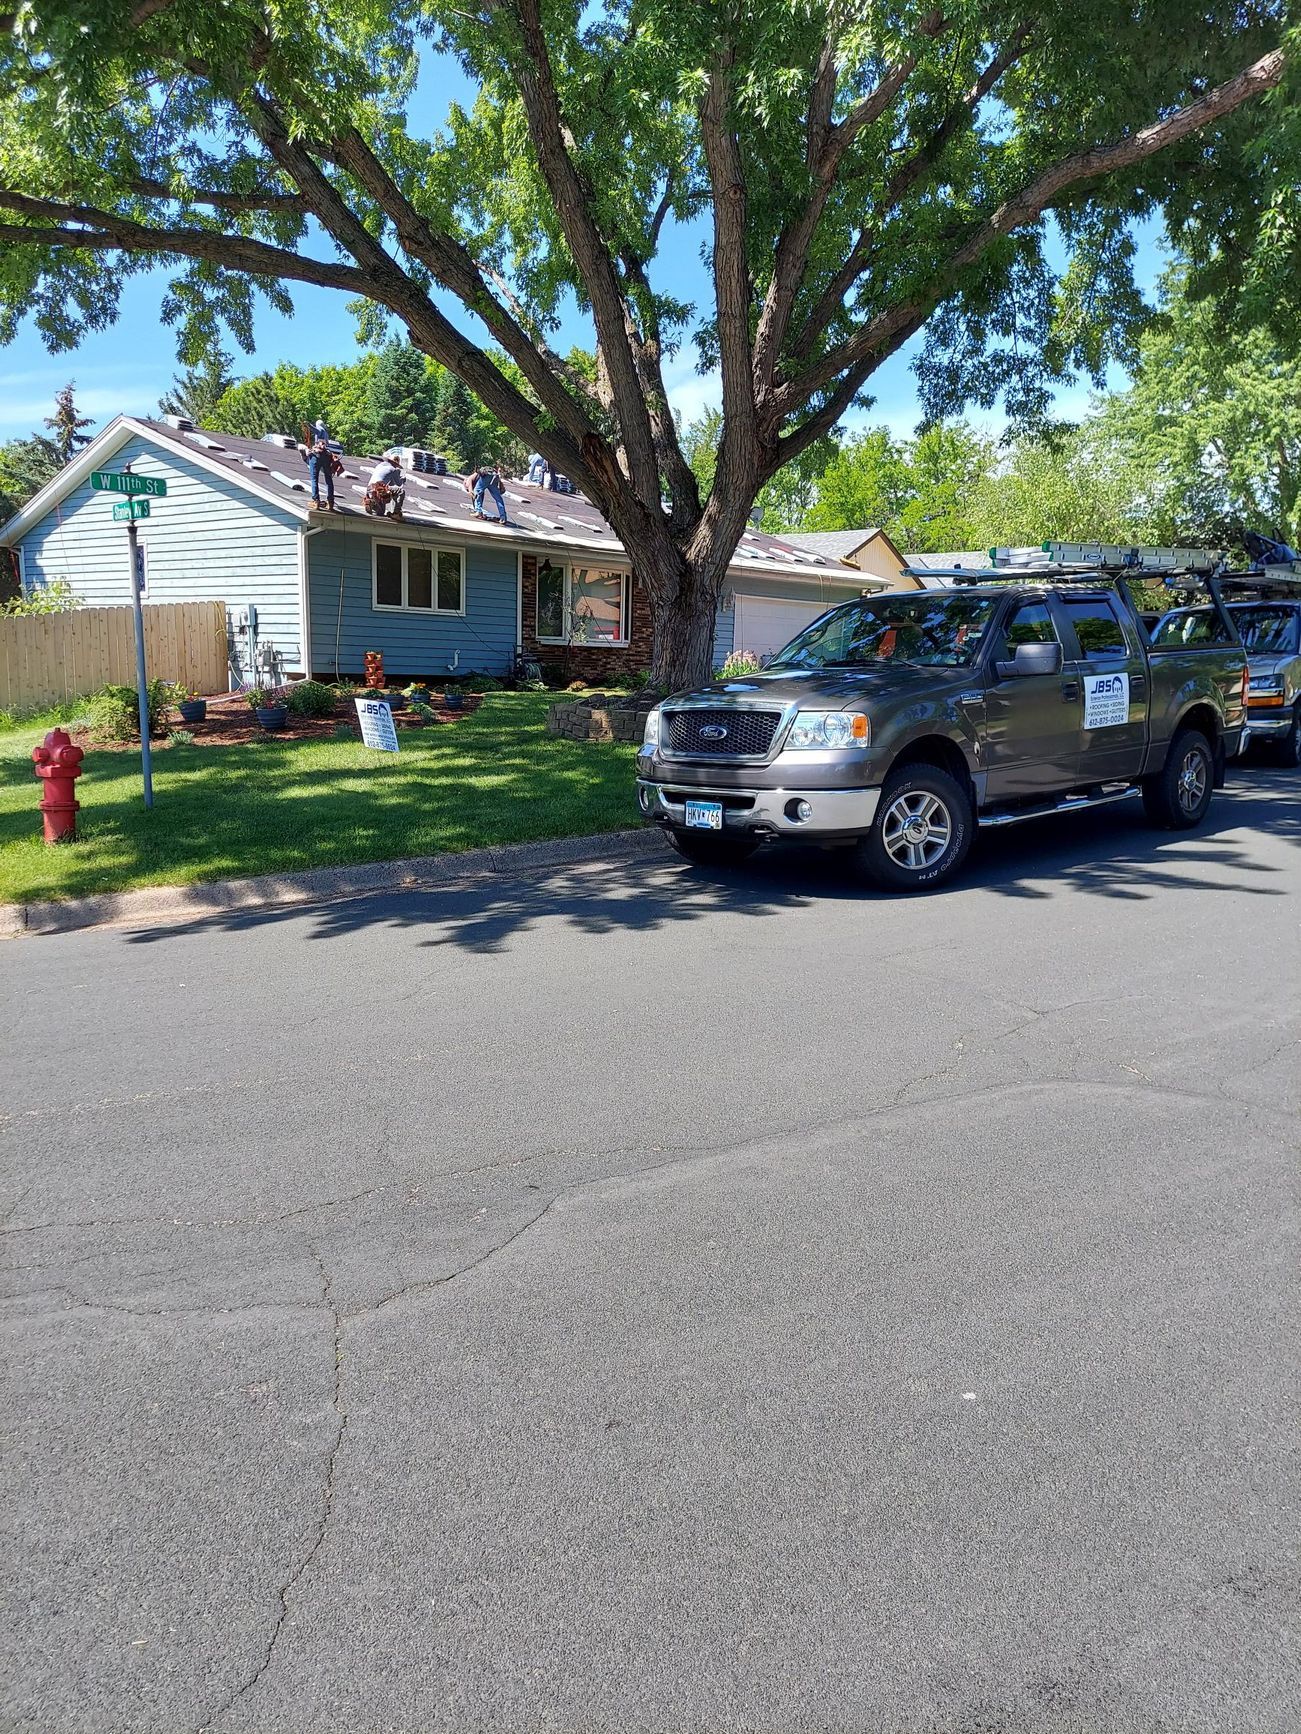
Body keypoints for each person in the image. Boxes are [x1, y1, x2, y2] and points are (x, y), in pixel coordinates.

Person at [364, 452, 406, 520]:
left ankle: (372, 502)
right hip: (379, 487)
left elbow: (391, 484)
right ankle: (396, 513)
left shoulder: (380, 466)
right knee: (401, 491)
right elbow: (399, 484)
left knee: (381, 512)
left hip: (370, 488)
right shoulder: (393, 469)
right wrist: (403, 479)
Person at [307, 420, 336, 511]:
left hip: (317, 456)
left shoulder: (320, 430)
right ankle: (330, 502)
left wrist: (309, 425)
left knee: (314, 479)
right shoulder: (326, 433)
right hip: (326, 457)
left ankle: (316, 501)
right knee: (328, 479)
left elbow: (317, 431)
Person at [467, 458, 508, 523]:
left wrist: (470, 490)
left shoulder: (469, 479)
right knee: (498, 498)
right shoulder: (478, 477)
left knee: (476, 492)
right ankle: (503, 517)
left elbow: (469, 482)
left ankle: (478, 511)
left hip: (487, 475)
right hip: (494, 475)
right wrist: (500, 484)